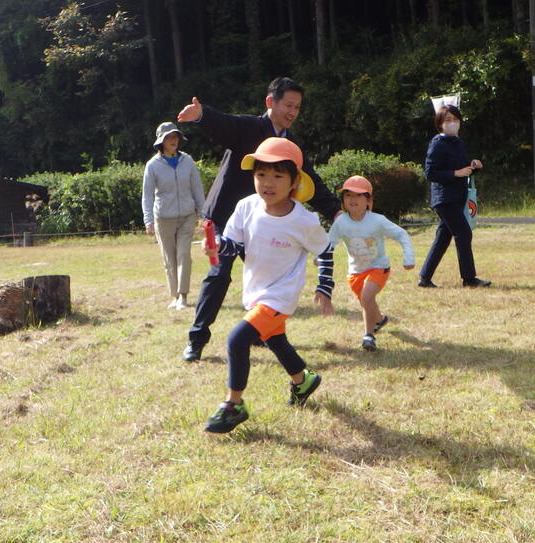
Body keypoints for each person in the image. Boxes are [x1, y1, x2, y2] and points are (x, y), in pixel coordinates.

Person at [176, 77, 341, 361]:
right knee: (219, 276)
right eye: (288, 105)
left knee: (271, 279)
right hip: (228, 218)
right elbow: (225, 124)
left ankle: (264, 333)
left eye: (297, 107)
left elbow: (310, 180)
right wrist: (202, 115)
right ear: (270, 102)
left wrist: (336, 211)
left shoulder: (290, 145)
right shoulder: (250, 127)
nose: (292, 112)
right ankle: (197, 339)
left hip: (263, 222)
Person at [200, 137, 335, 434]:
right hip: (256, 291)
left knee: (237, 340)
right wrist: (216, 247)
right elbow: (233, 245)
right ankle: (304, 381)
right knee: (275, 340)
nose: (267, 183)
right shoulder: (246, 206)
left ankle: (233, 405)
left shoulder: (303, 220)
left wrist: (324, 287)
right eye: (261, 174)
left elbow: (325, 250)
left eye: (277, 176)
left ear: (294, 181)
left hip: (280, 296)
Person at [327, 175, 415, 351]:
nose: (353, 199)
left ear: (368, 201)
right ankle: (380, 320)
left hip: (378, 267)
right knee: (367, 302)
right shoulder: (341, 222)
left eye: (358, 195)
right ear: (343, 200)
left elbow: (401, 234)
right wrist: (320, 256)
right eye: (348, 195)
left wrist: (408, 257)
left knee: (367, 297)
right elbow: (330, 242)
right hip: (355, 272)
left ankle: (368, 336)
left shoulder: (378, 220)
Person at [418, 104, 491, 288]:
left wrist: (473, 167)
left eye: (456, 120)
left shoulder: (458, 142)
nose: (453, 124)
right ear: (440, 124)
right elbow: (430, 173)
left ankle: (425, 278)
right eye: (448, 120)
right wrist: (455, 174)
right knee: (464, 233)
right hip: (444, 199)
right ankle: (469, 278)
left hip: (457, 197)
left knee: (443, 238)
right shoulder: (437, 143)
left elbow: (462, 169)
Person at [142, 122, 206, 310]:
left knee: (184, 255)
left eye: (175, 137)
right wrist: (148, 221)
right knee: (169, 258)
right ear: (161, 141)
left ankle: (183, 296)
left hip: (187, 216)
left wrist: (204, 215)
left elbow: (197, 189)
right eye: (169, 137)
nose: (173, 141)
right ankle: (174, 296)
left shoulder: (188, 161)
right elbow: (147, 195)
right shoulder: (152, 165)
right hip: (163, 218)